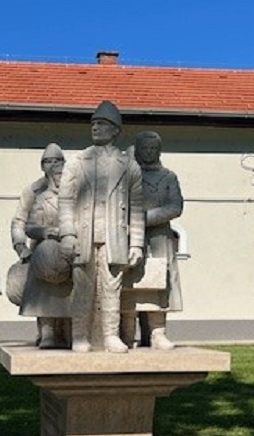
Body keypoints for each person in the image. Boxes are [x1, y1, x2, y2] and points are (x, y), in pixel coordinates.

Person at [58, 100, 145, 353]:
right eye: (94, 123)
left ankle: (110, 336)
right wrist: (67, 233)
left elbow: (136, 208)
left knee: (112, 288)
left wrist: (137, 243)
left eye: (102, 124)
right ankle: (80, 336)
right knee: (82, 288)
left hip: (113, 235)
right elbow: (65, 200)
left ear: (115, 130)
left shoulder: (128, 165)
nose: (96, 127)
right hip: (82, 234)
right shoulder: (76, 162)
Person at [121, 130, 184, 349]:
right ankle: (126, 332)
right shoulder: (126, 177)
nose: (149, 152)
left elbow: (176, 206)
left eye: (153, 149)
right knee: (129, 282)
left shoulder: (168, 177)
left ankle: (157, 332)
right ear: (137, 150)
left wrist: (145, 218)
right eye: (144, 148)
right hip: (128, 236)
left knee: (159, 283)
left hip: (158, 236)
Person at [10, 143, 71, 348]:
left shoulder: (74, 189)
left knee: (71, 291)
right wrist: (21, 247)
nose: (53, 165)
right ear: (41, 165)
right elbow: (20, 221)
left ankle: (70, 331)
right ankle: (47, 332)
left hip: (69, 246)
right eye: (48, 161)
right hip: (41, 246)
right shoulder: (34, 191)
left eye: (57, 161)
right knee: (44, 290)